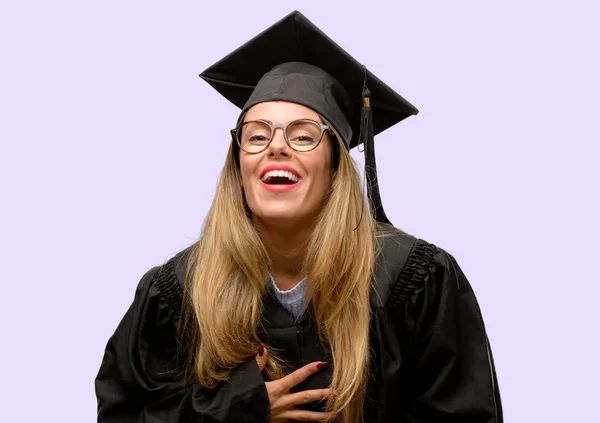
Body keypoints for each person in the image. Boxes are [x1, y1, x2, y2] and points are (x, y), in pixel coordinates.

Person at [95, 10, 503, 423]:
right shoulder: (179, 293)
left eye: (303, 135)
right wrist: (233, 410)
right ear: (238, 165)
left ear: (336, 167)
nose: (276, 146)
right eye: (256, 135)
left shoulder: (413, 282)